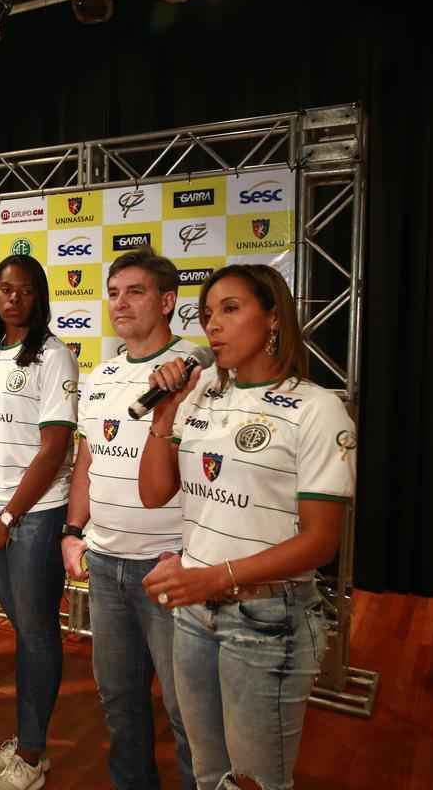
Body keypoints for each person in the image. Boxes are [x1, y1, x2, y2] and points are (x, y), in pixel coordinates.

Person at [138, 264, 356, 790]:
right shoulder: (202, 392)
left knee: (253, 781)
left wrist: (214, 578)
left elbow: (320, 542)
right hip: (194, 614)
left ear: (274, 318)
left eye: (230, 309)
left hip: (266, 619)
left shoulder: (318, 408)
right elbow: (153, 494)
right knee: (207, 771)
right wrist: (162, 418)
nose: (213, 325)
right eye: (207, 313)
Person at [62, 249, 195, 789]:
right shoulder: (102, 374)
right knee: (118, 698)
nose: (120, 303)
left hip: (171, 566)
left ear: (167, 301)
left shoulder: (197, 369)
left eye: (135, 291)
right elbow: (87, 460)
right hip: (107, 561)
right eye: (114, 292)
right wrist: (73, 532)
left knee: (189, 712)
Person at [0, 254, 79, 790]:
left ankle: (32, 755)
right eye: (4, 290)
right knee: (26, 632)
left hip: (30, 516)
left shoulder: (53, 356)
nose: (12, 298)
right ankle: (27, 739)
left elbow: (55, 448)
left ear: (39, 297)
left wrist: (9, 515)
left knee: (35, 635)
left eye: (24, 290)